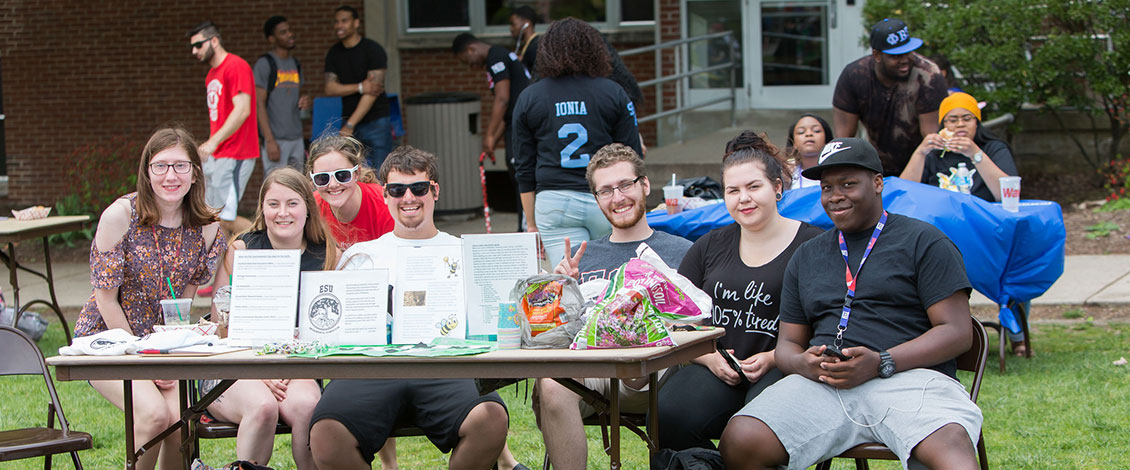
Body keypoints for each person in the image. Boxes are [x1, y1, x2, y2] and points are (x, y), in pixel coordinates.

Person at [719, 137, 983, 470]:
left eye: (848, 184)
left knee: (948, 458)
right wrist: (805, 364)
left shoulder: (923, 241)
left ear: (877, 183)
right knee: (742, 439)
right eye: (827, 187)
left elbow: (957, 332)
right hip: (825, 386)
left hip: (911, 378)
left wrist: (882, 361)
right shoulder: (808, 254)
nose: (836, 195)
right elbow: (787, 345)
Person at [309, 145, 510, 470]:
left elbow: (497, 316)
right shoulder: (361, 255)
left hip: (446, 368)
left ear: (435, 191)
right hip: (372, 371)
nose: (408, 198)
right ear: (385, 195)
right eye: (397, 190)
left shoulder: (464, 252)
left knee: (491, 417)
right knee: (325, 433)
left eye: (419, 188)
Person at [655, 131, 823, 454]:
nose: (743, 198)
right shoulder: (709, 246)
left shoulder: (812, 245)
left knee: (756, 432)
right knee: (666, 414)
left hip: (785, 369)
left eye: (753, 187)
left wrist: (775, 357)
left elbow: (829, 323)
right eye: (733, 190)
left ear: (777, 187)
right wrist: (708, 357)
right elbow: (671, 317)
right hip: (719, 367)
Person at [74, 126, 226, 470]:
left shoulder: (207, 228)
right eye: (161, 166)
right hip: (110, 340)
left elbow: (184, 304)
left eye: (180, 166)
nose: (170, 176)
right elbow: (106, 300)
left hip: (164, 345)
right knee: (156, 414)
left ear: (195, 173)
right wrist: (142, 356)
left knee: (179, 418)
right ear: (147, 171)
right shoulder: (120, 216)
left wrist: (167, 351)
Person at [538, 143, 692, 470]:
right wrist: (560, 290)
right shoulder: (583, 256)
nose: (617, 197)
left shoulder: (681, 251)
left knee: (641, 370)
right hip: (591, 371)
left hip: (655, 369)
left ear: (645, 185)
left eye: (625, 185)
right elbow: (553, 331)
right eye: (605, 190)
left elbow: (697, 324)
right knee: (550, 384)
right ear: (596, 199)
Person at [204, 168, 339, 469]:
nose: (282, 213)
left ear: (307, 208)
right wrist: (257, 367)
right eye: (273, 204)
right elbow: (219, 328)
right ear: (262, 209)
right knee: (263, 406)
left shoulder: (328, 255)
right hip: (236, 364)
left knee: (308, 406)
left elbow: (335, 329)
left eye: (292, 203)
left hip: (297, 366)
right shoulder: (240, 251)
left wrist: (289, 360)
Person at [512, 17, 643, 265]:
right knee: (613, 283)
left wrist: (530, 224)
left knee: (574, 285)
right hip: (606, 197)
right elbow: (633, 157)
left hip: (554, 203)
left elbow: (524, 167)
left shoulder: (529, 97)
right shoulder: (613, 92)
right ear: (593, 48)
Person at [832, 18, 948, 176]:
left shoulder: (928, 76)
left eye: (908, 52)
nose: (905, 60)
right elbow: (844, 141)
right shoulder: (854, 76)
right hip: (875, 165)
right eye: (896, 56)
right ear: (877, 55)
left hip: (922, 165)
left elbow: (932, 138)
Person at [452, 32, 532, 233]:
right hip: (516, 124)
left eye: (467, 60)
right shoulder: (501, 55)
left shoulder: (496, 57)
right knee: (518, 177)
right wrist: (494, 140)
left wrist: (488, 134)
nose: (471, 66)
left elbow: (503, 99)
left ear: (471, 49)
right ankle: (524, 227)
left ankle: (526, 229)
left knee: (521, 177)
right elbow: (510, 107)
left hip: (522, 129)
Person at [189, 21, 257, 239]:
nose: (194, 51)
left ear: (214, 40)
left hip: (236, 153)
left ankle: (271, 248)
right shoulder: (211, 75)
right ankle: (227, 268)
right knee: (214, 218)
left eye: (198, 45)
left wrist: (212, 142)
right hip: (218, 155)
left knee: (225, 218)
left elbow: (243, 109)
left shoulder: (235, 66)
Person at [900, 91, 1019, 202]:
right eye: (953, 120)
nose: (960, 124)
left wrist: (975, 153)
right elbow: (902, 195)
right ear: (944, 125)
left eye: (967, 119)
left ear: (976, 123)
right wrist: (920, 153)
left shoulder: (994, 148)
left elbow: (1008, 196)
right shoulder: (933, 153)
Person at [324, 5, 392, 169]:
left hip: (376, 121)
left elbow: (373, 91)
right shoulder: (334, 53)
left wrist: (350, 125)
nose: (339, 25)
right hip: (350, 122)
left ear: (356, 23)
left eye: (344, 21)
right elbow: (330, 88)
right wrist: (360, 87)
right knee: (352, 173)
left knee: (380, 174)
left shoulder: (373, 50)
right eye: (336, 22)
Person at [307, 135, 394, 249]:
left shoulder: (384, 204)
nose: (333, 184)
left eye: (342, 175)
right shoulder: (310, 208)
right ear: (312, 179)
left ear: (356, 173)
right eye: (322, 178)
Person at [255, 16, 312, 175]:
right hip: (276, 139)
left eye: (289, 30)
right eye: (283, 32)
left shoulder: (296, 63)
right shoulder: (265, 64)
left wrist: (305, 101)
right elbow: (258, 103)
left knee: (298, 184)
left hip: (296, 136)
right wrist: (269, 140)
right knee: (276, 183)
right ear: (272, 39)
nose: (290, 34)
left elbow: (298, 94)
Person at [783, 114, 832, 190]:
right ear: (793, 143)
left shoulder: (837, 170)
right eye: (801, 132)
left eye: (816, 130)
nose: (809, 134)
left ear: (827, 140)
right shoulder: (785, 173)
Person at [509, 6, 539, 75]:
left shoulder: (535, 47)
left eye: (513, 24)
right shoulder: (531, 45)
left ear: (527, 24)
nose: (511, 29)